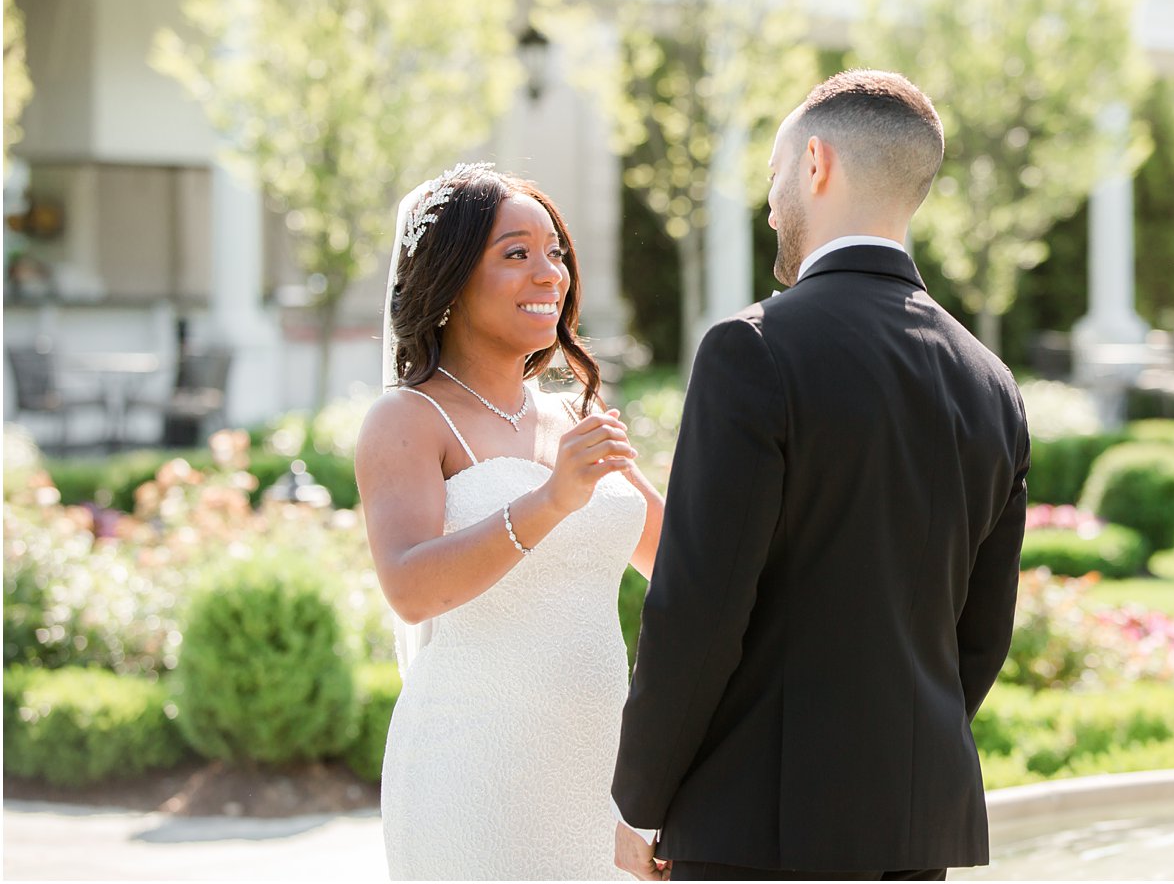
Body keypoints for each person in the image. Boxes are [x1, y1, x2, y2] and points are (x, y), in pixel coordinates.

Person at [611, 71, 1031, 881]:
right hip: (914, 833)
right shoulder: (990, 382)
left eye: (772, 175)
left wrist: (641, 799)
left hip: (757, 833)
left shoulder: (751, 348)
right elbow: (981, 636)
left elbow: (699, 609)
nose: (769, 204)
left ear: (814, 164)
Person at [355, 163, 665, 879]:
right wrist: (551, 500)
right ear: (452, 276)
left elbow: (684, 565)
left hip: (598, 772)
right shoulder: (407, 419)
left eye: (555, 252)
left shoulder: (579, 418)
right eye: (516, 254)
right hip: (471, 768)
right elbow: (411, 588)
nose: (549, 274)